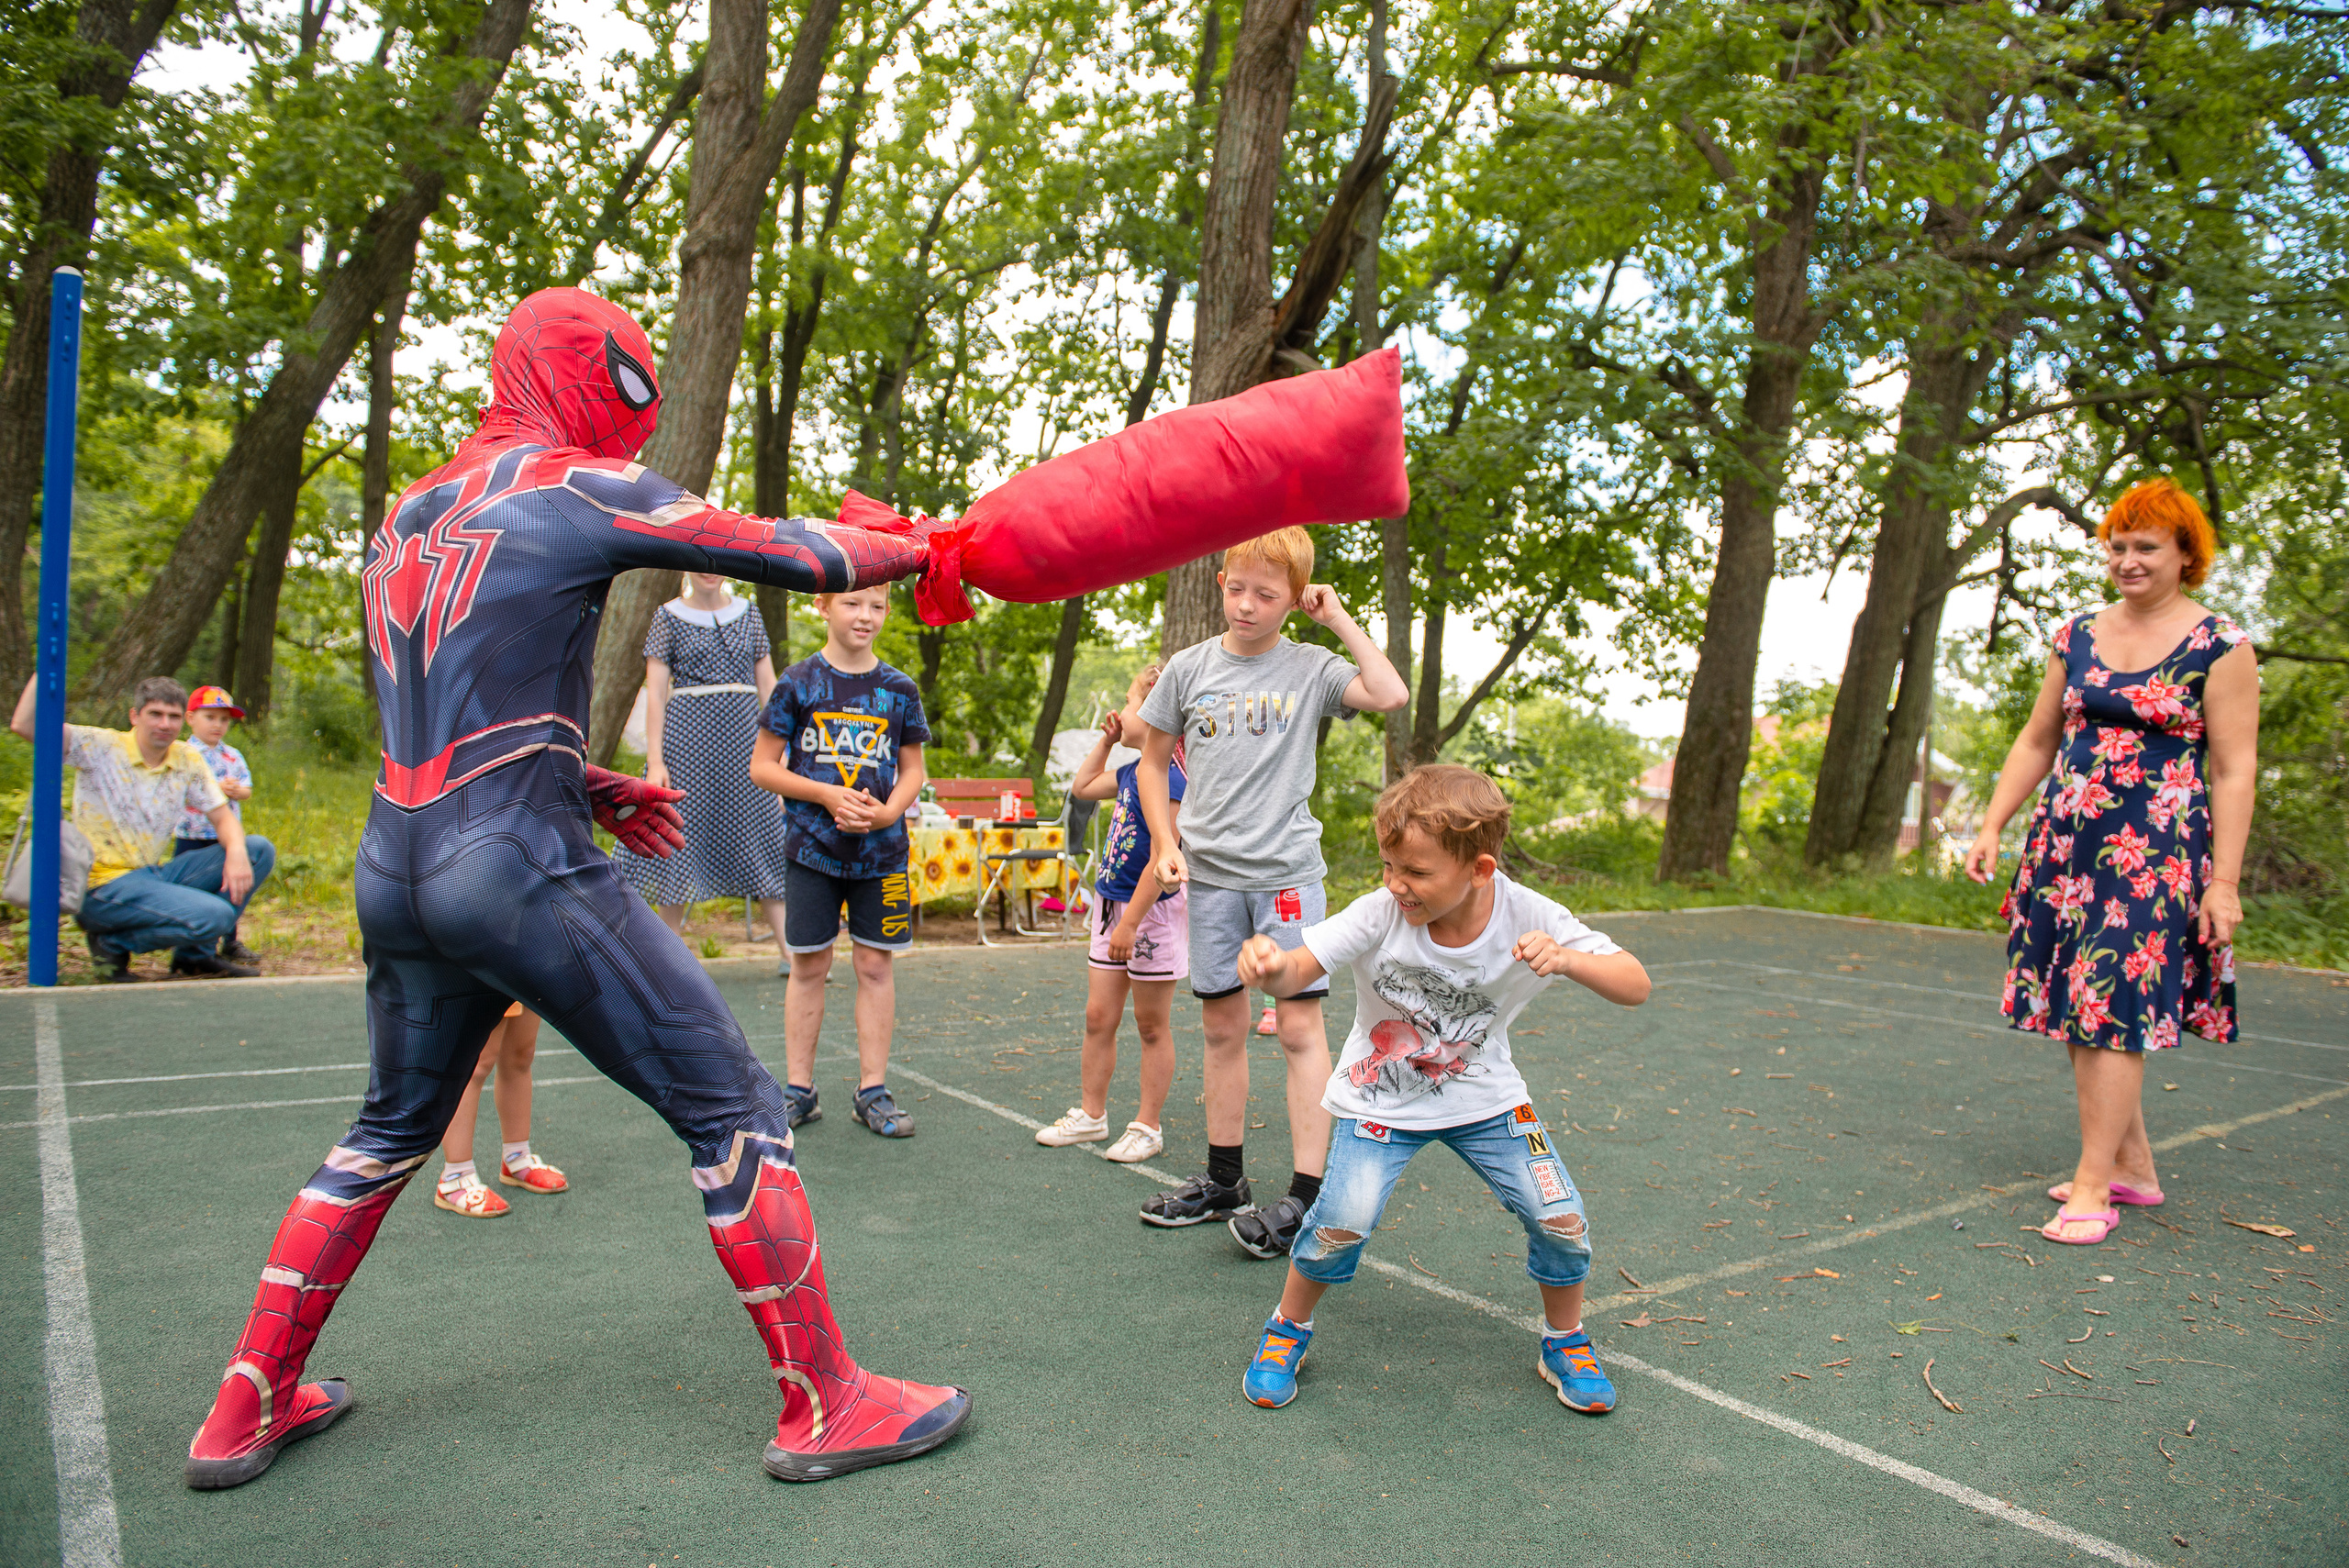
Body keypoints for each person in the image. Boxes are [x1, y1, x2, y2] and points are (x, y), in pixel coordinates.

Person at [184, 287, 973, 1491]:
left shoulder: (406, 519)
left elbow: (449, 709)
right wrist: (931, 541)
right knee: (739, 1109)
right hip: (514, 862)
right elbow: (804, 556)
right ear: (585, 373)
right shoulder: (571, 484)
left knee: (386, 1130)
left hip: (397, 863)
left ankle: (244, 1407)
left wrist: (593, 779)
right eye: (635, 389)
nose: (640, 423)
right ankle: (828, 1402)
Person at [1229, 765, 1652, 1413]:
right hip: (1381, 1101)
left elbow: (1635, 982)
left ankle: (1563, 1339)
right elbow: (1298, 970)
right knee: (1341, 1219)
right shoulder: (1380, 912)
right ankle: (1288, 1327)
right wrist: (1269, 966)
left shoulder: (1528, 912)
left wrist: (1569, 958)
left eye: (1417, 872)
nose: (1397, 884)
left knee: (1560, 1216)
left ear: (1479, 870)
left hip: (1487, 1098)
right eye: (1388, 865)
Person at [1963, 477, 2258, 1248]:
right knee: (2077, 998)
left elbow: (2234, 769)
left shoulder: (2220, 645)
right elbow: (2037, 739)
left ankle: (2093, 1186)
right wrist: (1992, 824)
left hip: (2155, 851)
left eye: (2146, 547)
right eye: (2118, 546)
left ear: (2185, 553)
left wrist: (2223, 882)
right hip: (2069, 843)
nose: (2128, 560)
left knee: (2115, 1007)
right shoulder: (2078, 634)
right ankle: (2133, 1166)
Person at [1134, 527, 1409, 1255]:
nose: (1247, 605)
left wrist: (1339, 617)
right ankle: (1226, 1179)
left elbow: (1388, 690)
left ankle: (1308, 1199)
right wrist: (1166, 842)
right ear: (1220, 580)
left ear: (1295, 598)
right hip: (1212, 876)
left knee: (1296, 1029)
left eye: (1267, 593)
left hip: (1286, 875)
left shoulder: (1312, 666)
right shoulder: (1189, 669)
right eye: (1236, 588)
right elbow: (1151, 763)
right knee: (1222, 1028)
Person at [749, 584, 928, 1140]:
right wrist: (825, 796)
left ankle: (872, 1090)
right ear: (823, 606)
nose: (865, 616)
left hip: (883, 856)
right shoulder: (797, 682)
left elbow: (913, 770)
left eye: (876, 606)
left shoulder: (900, 689)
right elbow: (763, 767)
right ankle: (798, 1091)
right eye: (852, 604)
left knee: (875, 966)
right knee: (809, 966)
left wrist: (886, 814)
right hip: (810, 853)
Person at [8, 674, 273, 981]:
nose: (165, 724)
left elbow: (223, 816)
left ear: (182, 721)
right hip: (101, 886)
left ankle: (193, 958)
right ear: (135, 716)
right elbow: (25, 727)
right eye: (155, 714)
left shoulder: (187, 757)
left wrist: (237, 851)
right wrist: (46, 666)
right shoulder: (99, 745)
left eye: (173, 716)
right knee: (216, 915)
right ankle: (111, 944)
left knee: (258, 850)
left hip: (151, 876)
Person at [1034, 666, 1186, 1163]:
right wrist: (1107, 741)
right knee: (1099, 1016)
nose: (1122, 710)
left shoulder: (1175, 779)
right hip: (1109, 907)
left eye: (1132, 701)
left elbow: (1164, 860)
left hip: (1149, 915)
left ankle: (1147, 1125)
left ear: (1160, 713)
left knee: (1150, 1025)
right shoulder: (1127, 772)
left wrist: (1130, 923)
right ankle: (1091, 1115)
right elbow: (1081, 788)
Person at [617, 571, 794, 959]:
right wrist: (655, 760)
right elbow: (657, 692)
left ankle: (791, 954)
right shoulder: (667, 616)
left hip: (748, 745)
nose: (708, 569)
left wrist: (782, 757)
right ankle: (669, 960)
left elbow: (769, 689)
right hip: (686, 746)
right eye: (699, 561)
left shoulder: (750, 613)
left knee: (763, 834)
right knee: (678, 839)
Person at [432, 1004, 570, 1217]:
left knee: (521, 1054)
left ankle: (517, 1157)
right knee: (475, 1062)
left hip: (526, 970)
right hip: (487, 970)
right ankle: (456, 1177)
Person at [174, 685, 262, 966]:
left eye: (224, 720)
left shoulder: (232, 755)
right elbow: (178, 789)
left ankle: (230, 939)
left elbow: (247, 788)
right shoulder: (182, 753)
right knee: (194, 890)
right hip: (192, 832)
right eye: (210, 717)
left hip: (225, 836)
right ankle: (192, 942)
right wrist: (214, 789)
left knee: (232, 884)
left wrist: (237, 791)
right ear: (190, 718)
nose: (218, 725)